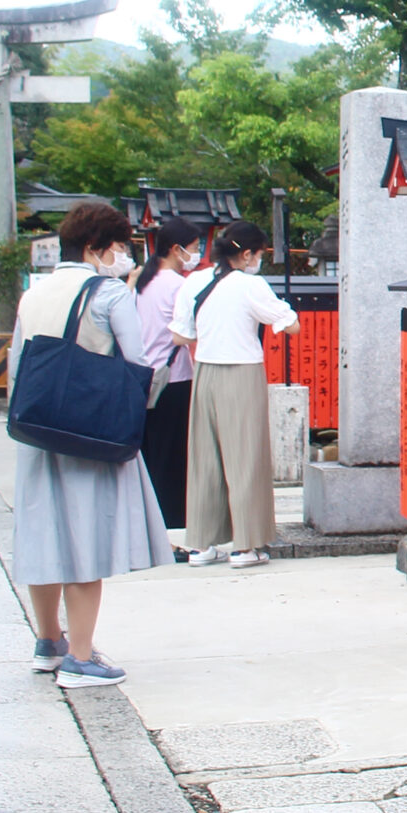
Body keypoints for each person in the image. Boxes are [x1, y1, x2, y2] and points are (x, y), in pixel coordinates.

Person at [10, 201, 170, 688]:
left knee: (44, 535)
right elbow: (136, 365)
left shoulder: (33, 294)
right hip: (88, 432)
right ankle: (81, 657)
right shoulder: (108, 294)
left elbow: (18, 364)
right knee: (84, 541)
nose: (123, 256)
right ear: (96, 248)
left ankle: (48, 641)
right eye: (119, 247)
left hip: (37, 431)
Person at [173, 220, 298, 570]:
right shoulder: (250, 285)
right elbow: (290, 324)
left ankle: (200, 544)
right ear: (246, 254)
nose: (258, 260)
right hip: (241, 372)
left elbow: (180, 335)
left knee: (205, 458)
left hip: (205, 371)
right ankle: (245, 547)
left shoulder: (194, 281)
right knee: (245, 458)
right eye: (258, 254)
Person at [134, 216, 206, 545]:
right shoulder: (178, 287)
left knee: (148, 457)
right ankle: (173, 527)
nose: (197, 253)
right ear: (177, 250)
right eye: (194, 248)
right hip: (173, 381)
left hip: (141, 379)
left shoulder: (139, 281)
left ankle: (145, 525)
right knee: (173, 458)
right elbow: (193, 330)